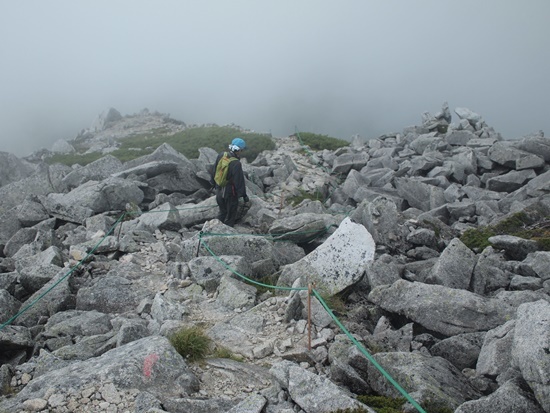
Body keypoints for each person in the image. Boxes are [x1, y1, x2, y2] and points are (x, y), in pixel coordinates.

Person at [211, 137, 249, 227]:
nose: (242, 152)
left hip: (219, 190)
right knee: (231, 215)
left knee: (222, 212)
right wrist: (243, 195)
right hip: (230, 193)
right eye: (242, 150)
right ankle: (227, 233)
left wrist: (213, 183)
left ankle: (214, 229)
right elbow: (239, 182)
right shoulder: (236, 163)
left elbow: (214, 170)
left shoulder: (221, 155)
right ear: (238, 150)